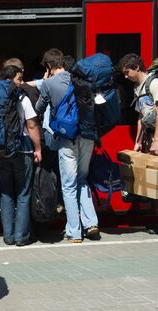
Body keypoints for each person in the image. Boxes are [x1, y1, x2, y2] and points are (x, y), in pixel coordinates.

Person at [35, 48, 100, 243]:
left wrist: (45, 82)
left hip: (67, 138)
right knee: (82, 179)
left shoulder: (49, 83)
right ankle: (91, 223)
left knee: (69, 186)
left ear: (48, 66)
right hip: (87, 136)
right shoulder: (81, 78)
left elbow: (39, 108)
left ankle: (74, 231)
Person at [119, 53, 158, 235]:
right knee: (157, 179)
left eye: (127, 72)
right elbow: (141, 117)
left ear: (137, 67)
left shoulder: (155, 84)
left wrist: (156, 141)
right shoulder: (139, 87)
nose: (126, 76)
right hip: (153, 136)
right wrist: (138, 142)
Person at [0, 65, 42, 246]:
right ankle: (21, 237)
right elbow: (32, 126)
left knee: (6, 193)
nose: (21, 82)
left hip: (2, 152)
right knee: (23, 193)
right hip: (23, 150)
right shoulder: (22, 99)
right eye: (19, 79)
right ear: (11, 79)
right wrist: (38, 148)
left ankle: (8, 236)